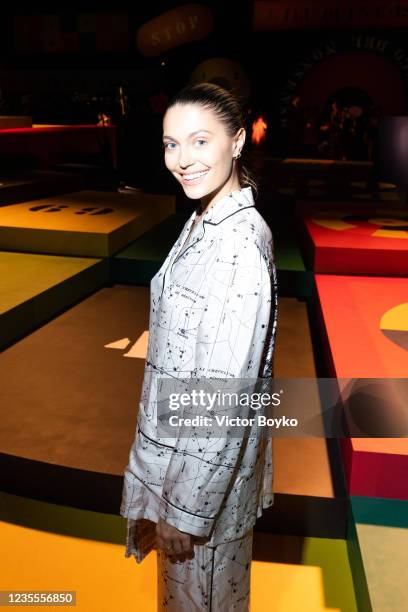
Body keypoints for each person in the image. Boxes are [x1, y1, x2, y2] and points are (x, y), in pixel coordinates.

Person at [120, 82, 278, 611]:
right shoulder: (203, 217)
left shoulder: (237, 248)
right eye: (170, 144)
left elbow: (224, 399)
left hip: (198, 493)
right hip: (177, 472)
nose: (181, 160)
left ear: (236, 142)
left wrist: (184, 511)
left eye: (199, 141)